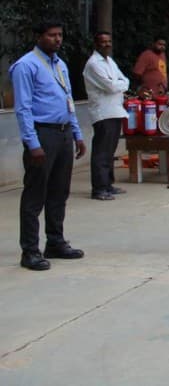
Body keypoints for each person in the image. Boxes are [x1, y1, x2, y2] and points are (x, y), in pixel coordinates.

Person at [11, 20, 88, 271]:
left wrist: (77, 134)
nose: (57, 39)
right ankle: (30, 250)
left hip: (64, 133)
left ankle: (55, 242)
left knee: (59, 191)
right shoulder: (26, 66)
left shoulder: (60, 65)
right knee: (35, 194)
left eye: (60, 34)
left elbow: (68, 101)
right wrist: (32, 143)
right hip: (42, 134)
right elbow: (23, 108)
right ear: (39, 37)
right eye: (52, 35)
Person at [82, 31, 130, 201]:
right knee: (102, 152)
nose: (107, 45)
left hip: (115, 110)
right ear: (96, 44)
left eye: (109, 41)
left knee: (110, 151)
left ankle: (108, 184)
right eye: (103, 42)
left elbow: (124, 80)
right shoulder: (94, 64)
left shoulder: (110, 61)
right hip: (103, 113)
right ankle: (99, 189)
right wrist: (120, 84)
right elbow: (110, 86)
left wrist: (120, 84)